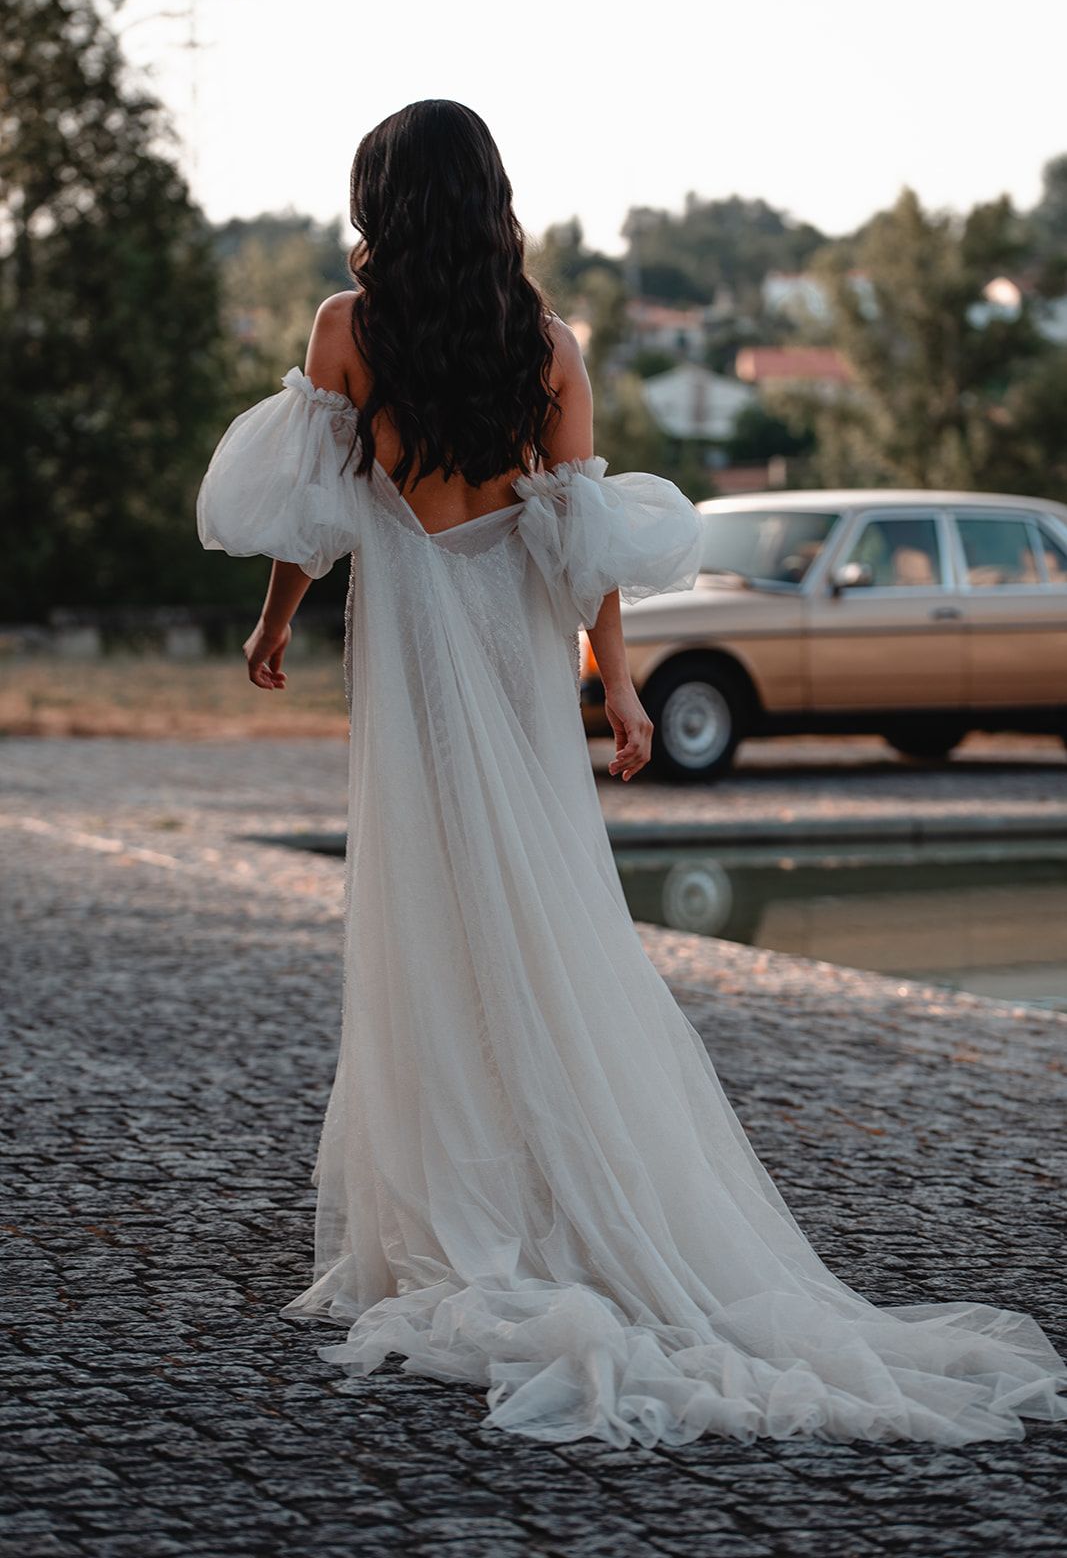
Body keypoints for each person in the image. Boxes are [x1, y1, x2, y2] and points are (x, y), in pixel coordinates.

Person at [196, 100, 1067, 1449]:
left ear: (382, 201)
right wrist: (617, 683)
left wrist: (272, 627)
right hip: (512, 645)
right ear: (489, 199)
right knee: (545, 913)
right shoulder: (547, 345)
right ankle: (557, 1177)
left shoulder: (345, 330)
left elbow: (309, 512)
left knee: (429, 915)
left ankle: (463, 1203)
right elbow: (579, 535)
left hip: (414, 653)